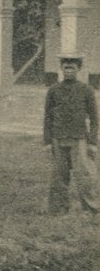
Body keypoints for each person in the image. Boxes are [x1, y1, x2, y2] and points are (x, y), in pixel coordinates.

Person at [43, 52, 99, 215]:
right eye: (66, 68)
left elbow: (94, 119)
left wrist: (92, 142)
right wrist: (47, 142)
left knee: (85, 175)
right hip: (57, 138)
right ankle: (58, 208)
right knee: (59, 175)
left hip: (79, 138)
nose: (68, 71)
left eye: (72, 68)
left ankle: (91, 208)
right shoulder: (53, 90)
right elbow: (47, 117)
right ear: (61, 69)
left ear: (78, 69)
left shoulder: (86, 90)